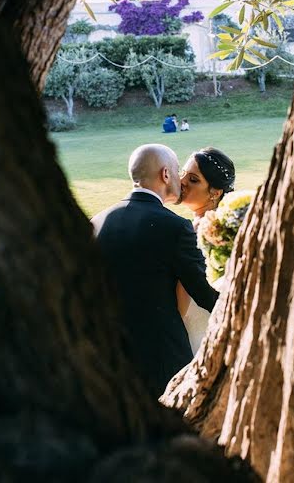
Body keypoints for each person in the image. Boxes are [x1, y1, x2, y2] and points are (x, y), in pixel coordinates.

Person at [91, 144, 218, 398]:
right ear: (165, 174)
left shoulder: (97, 221)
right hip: (162, 357)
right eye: (175, 170)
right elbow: (203, 292)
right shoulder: (175, 227)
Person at [177, 147, 235, 353]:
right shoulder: (223, 226)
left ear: (215, 192)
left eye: (193, 180)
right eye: (182, 173)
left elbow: (183, 289)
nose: (182, 182)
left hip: (197, 319)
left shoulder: (198, 232)